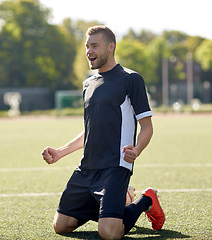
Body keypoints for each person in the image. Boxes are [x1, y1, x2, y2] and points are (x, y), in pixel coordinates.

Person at [42, 26, 165, 240]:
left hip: (115, 167)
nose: (89, 51)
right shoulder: (88, 84)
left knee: (109, 232)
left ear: (111, 47)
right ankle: (113, 205)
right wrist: (61, 152)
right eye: (87, 46)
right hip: (87, 167)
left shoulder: (131, 79)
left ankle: (146, 199)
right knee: (61, 226)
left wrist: (137, 149)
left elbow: (147, 126)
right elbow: (90, 130)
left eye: (95, 46)